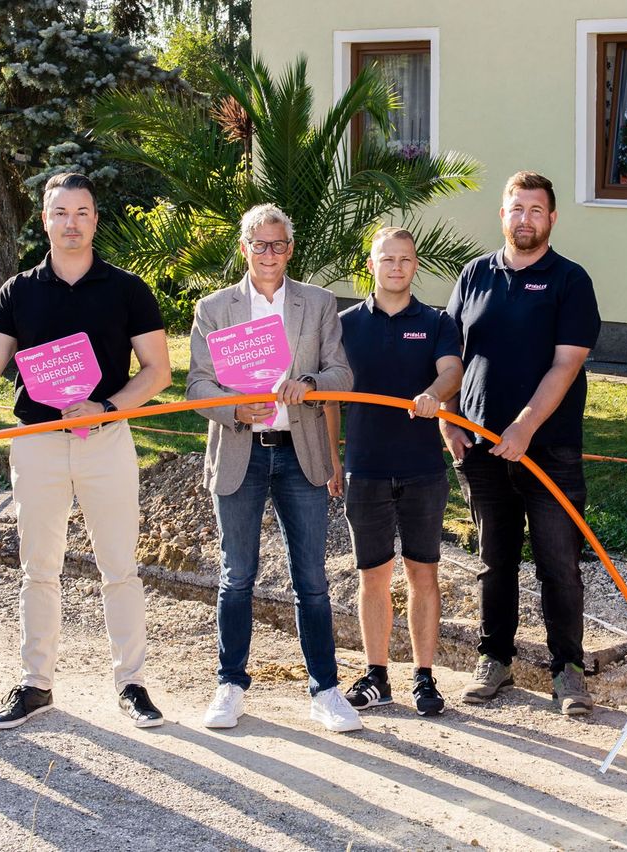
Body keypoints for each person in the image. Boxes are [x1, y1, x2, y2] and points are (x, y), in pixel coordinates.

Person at [0, 172, 171, 729]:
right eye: (60, 213)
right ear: (45, 220)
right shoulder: (17, 291)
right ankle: (35, 684)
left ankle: (131, 684)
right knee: (38, 568)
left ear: (95, 219)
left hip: (106, 439)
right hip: (37, 444)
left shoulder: (127, 288)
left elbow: (158, 371)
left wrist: (108, 406)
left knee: (119, 566)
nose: (71, 223)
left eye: (82, 212)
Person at [187, 203, 361, 733]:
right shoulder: (215, 308)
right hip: (240, 448)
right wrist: (233, 408)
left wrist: (309, 385)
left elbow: (343, 375)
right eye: (259, 245)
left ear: (290, 249)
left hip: (299, 450)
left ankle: (325, 691)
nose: (269, 254)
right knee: (236, 575)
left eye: (278, 245)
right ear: (244, 249)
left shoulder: (319, 302)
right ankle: (230, 685)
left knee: (311, 579)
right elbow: (196, 386)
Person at [441, 171, 601, 716]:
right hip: (483, 448)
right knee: (495, 560)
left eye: (536, 210)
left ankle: (569, 669)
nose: (525, 219)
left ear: (552, 218)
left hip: (549, 448)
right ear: (502, 215)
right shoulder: (473, 275)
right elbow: (452, 357)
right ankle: (496, 660)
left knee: (558, 562)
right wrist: (448, 416)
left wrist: (527, 426)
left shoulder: (569, 280)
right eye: (516, 209)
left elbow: (566, 364)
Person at [326, 227, 463, 716]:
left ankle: (424, 678)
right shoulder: (343, 324)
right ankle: (377, 676)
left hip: (422, 469)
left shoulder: (436, 321)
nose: (397, 267)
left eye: (405, 259)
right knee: (374, 575)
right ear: (371, 265)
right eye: (388, 259)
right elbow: (330, 398)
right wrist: (333, 459)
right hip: (366, 469)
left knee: (423, 573)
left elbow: (452, 371)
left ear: (415, 266)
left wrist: (435, 393)